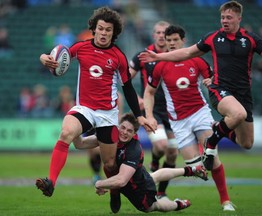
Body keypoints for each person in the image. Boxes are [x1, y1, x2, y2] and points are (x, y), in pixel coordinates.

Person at [139, 0, 262, 171]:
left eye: (229, 17)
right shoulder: (213, 38)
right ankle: (211, 142)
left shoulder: (250, 39)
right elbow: (187, 52)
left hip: (243, 93)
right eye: (222, 17)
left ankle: (217, 130)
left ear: (239, 18)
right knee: (238, 113)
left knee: (246, 143)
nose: (225, 20)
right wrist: (159, 57)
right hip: (220, 89)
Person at [35, 6, 154, 201]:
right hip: (84, 108)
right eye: (101, 28)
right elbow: (59, 56)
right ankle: (51, 182)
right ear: (94, 29)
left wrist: (140, 116)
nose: (104, 33)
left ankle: (114, 191)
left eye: (108, 29)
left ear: (113, 32)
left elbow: (128, 88)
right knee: (66, 133)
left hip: (107, 113)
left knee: (108, 163)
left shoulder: (118, 57)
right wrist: (43, 58)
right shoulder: (81, 47)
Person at [143, 24, 235, 211]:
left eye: (175, 40)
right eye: (169, 41)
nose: (172, 44)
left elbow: (215, 80)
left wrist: (211, 82)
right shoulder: (160, 66)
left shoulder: (197, 60)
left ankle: (225, 201)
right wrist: (149, 115)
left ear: (183, 41)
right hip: (178, 122)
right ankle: (202, 161)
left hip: (200, 113)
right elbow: (149, 92)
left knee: (212, 156)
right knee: (197, 168)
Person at [73, 112, 208, 213]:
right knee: (153, 176)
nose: (124, 132)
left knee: (155, 206)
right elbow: (80, 143)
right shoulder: (111, 136)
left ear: (134, 134)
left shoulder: (134, 150)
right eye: (123, 128)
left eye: (129, 131)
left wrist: (99, 183)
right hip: (130, 177)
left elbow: (121, 181)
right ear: (118, 126)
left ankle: (177, 204)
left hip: (138, 188)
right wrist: (76, 127)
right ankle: (190, 170)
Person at [129, 20, 178, 199]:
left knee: (172, 154)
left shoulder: (177, 55)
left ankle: (162, 193)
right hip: (152, 111)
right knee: (162, 145)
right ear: (153, 35)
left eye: (163, 33)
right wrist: (138, 98)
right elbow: (124, 80)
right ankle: (156, 161)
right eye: (157, 32)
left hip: (174, 111)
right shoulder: (143, 55)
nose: (160, 35)